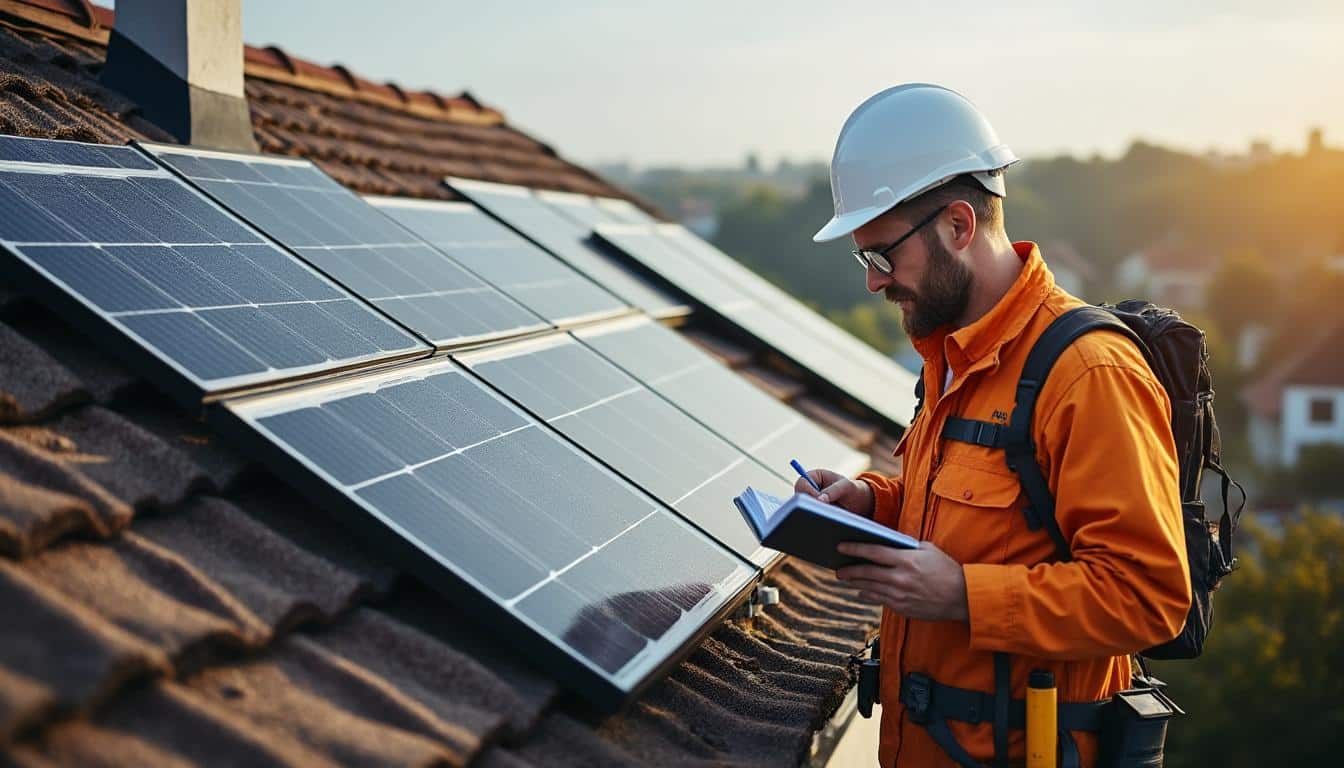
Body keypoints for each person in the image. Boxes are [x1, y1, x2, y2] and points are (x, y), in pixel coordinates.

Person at [797, 84, 1191, 767]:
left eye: (883, 256)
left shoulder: (1087, 375)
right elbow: (975, 523)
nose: (873, 283)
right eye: (865, 260)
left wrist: (965, 597)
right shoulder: (951, 356)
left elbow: (1147, 597)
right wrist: (871, 504)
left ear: (957, 226)